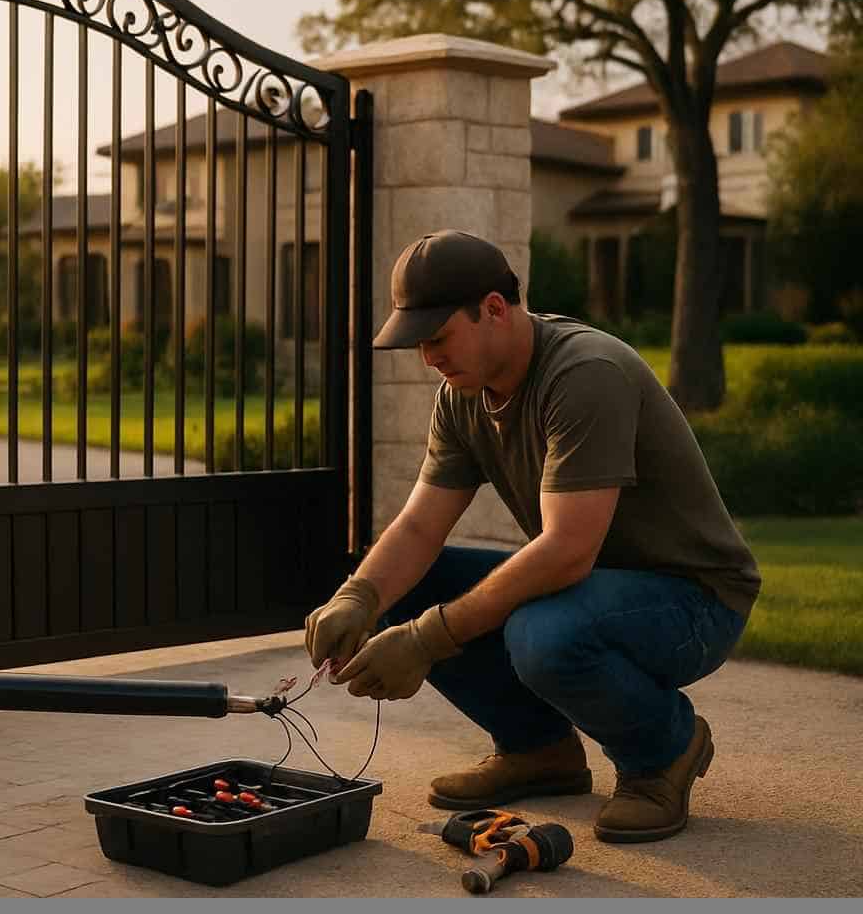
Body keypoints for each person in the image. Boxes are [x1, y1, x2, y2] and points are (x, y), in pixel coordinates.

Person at [304, 229, 759, 843]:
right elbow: (419, 526)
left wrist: (426, 640)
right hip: (597, 586)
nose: (428, 359)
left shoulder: (585, 373)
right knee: (407, 586)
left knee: (542, 634)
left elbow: (567, 552)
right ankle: (538, 750)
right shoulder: (462, 396)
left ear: (494, 309)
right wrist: (358, 597)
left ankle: (663, 753)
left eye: (437, 338)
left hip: (693, 600)